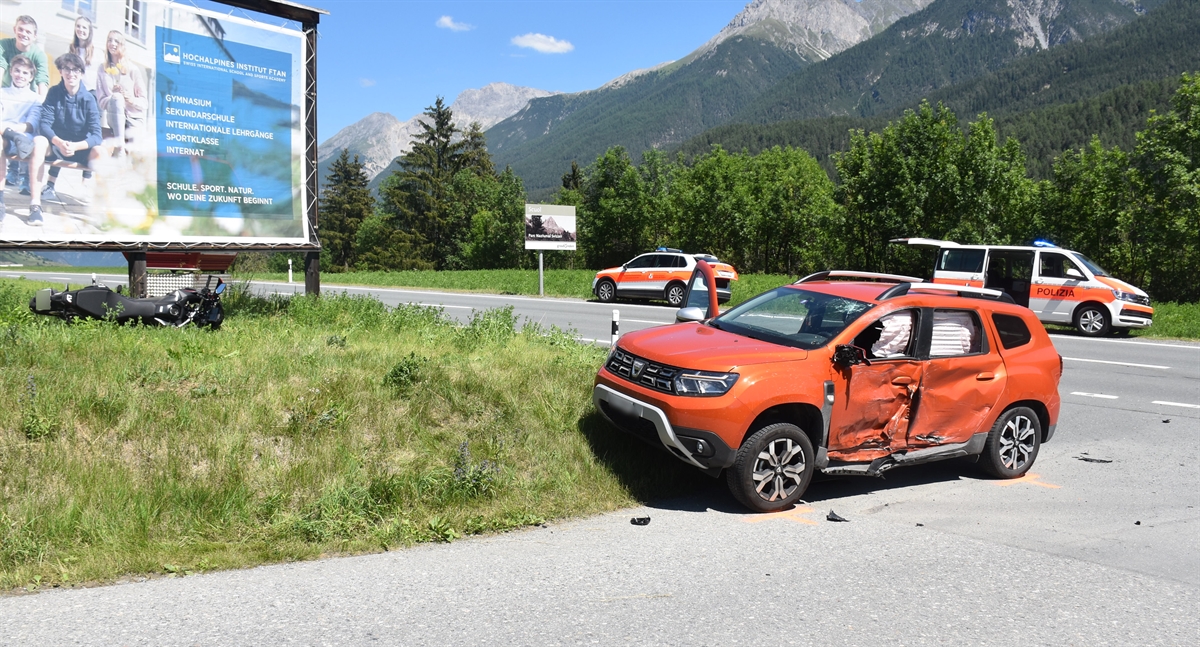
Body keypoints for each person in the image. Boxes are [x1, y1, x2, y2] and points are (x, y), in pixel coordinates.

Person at [26, 53, 107, 226]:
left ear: (81, 73)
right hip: (55, 145)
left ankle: (100, 211)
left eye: (75, 69)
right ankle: (35, 206)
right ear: (61, 71)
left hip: (80, 149)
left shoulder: (89, 99)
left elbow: (96, 135)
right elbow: (45, 124)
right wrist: (58, 142)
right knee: (39, 142)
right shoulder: (54, 93)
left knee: (100, 152)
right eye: (66, 69)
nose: (71, 73)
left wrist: (76, 146)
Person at [0, 55, 42, 222]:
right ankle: (0, 201)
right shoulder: (2, 93)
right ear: (11, 72)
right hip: (3, 136)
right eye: (17, 71)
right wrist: (8, 133)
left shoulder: (35, 98)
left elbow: (31, 124)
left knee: (39, 143)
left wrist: (13, 131)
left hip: (24, 139)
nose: (20, 75)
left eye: (25, 73)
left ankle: (35, 205)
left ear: (31, 77)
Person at [94, 31, 146, 154]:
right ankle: (120, 148)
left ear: (122, 45)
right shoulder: (102, 69)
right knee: (117, 97)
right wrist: (115, 99)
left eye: (116, 41)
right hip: (114, 117)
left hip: (134, 119)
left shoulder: (133, 69)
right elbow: (101, 101)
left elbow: (145, 103)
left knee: (135, 155)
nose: (112, 43)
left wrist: (129, 99)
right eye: (109, 40)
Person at [0, 15, 49, 96]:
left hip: (27, 98)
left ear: (34, 36)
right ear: (15, 29)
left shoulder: (39, 55)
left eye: (28, 32)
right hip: (5, 92)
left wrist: (42, 106)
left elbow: (42, 81)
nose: (23, 34)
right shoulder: (3, 45)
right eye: (20, 29)